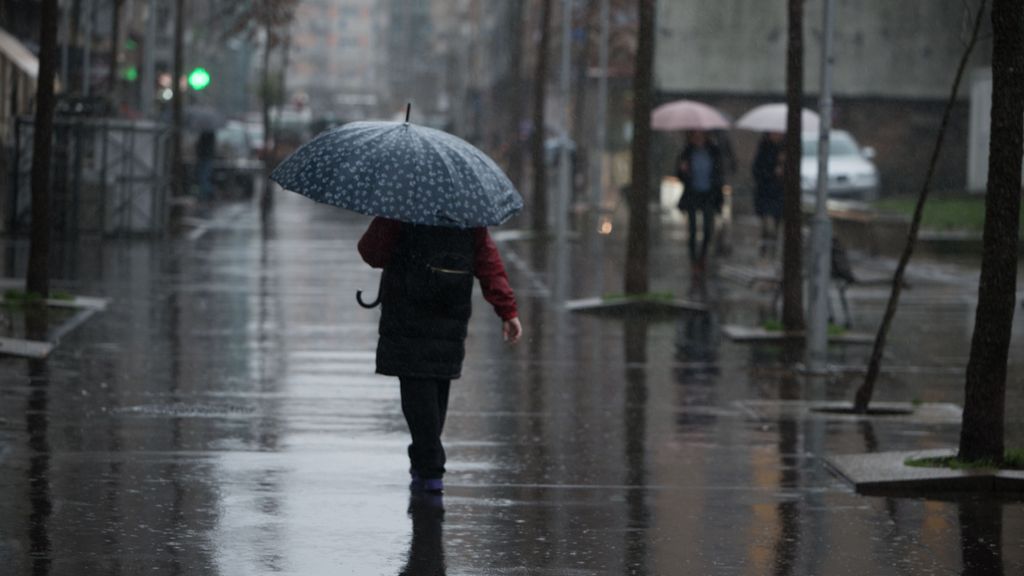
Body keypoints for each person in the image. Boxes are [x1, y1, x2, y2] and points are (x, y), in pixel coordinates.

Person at [358, 217, 522, 494]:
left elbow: (372, 253)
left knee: (417, 393)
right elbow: (487, 260)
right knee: (435, 391)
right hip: (449, 313)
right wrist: (507, 310)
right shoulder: (467, 215)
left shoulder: (401, 208)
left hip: (407, 315)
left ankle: (429, 466)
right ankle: (427, 465)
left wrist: (388, 219)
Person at [676, 130, 725, 276]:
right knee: (692, 231)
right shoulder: (687, 152)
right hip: (692, 194)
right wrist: (683, 171)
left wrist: (718, 193)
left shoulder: (713, 151)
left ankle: (702, 257)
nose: (698, 137)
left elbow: (719, 174)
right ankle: (693, 261)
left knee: (707, 230)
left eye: (701, 134)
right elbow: (679, 174)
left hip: (709, 195)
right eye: (695, 135)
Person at [751, 132, 785, 258]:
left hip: (779, 194)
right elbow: (756, 171)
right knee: (767, 226)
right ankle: (765, 251)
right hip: (765, 194)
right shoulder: (763, 150)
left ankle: (772, 253)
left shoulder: (785, 150)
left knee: (775, 226)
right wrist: (771, 173)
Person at [195, 129, 216, 202]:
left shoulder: (207, 134)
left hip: (205, 157)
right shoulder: (209, 134)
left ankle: (207, 194)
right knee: (204, 177)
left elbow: (203, 147)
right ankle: (207, 194)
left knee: (203, 177)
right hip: (206, 157)